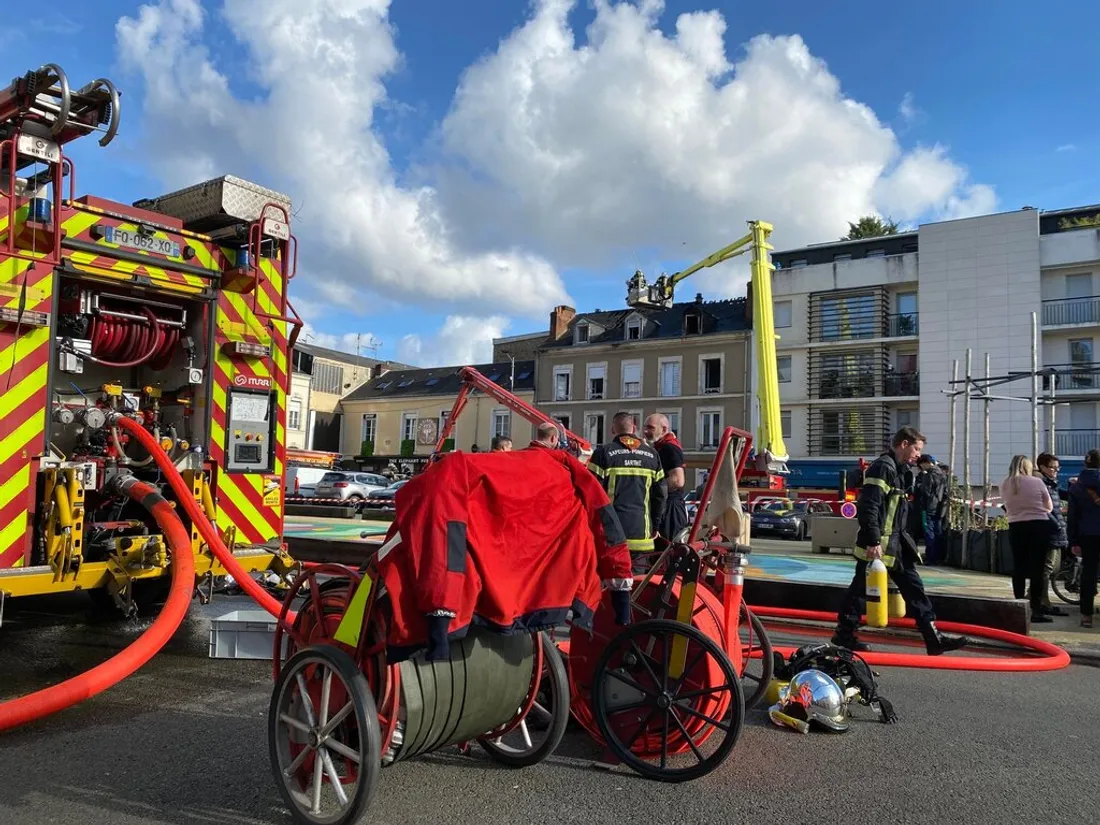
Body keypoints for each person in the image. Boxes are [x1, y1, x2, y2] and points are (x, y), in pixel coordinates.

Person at [832, 427, 969, 655]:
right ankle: (844, 634)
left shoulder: (901, 470)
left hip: (895, 544)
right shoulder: (883, 467)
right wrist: (874, 540)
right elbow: (869, 506)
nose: (918, 454)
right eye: (916, 448)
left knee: (913, 588)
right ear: (903, 444)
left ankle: (932, 637)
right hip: (878, 545)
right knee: (860, 591)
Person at [589, 412, 668, 572]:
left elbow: (592, 493)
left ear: (613, 429)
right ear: (634, 428)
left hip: (611, 535)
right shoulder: (652, 455)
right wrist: (656, 525)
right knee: (637, 586)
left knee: (611, 585)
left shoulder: (603, 453)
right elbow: (661, 495)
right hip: (642, 536)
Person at [999, 454, 1054, 623]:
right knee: (1037, 568)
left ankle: (1019, 605)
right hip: (1038, 525)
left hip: (1016, 526)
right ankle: (1035, 609)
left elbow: (1007, 506)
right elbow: (1049, 506)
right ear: (1028, 467)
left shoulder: (1005, 484)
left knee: (1019, 567)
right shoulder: (1036, 482)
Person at [1066, 449, 1100, 629]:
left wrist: (1073, 541)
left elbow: (1072, 517)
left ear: (1085, 464)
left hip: (1087, 535)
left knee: (1088, 574)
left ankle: (1086, 615)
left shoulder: (1077, 487)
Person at [1033, 453, 1069, 617]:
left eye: (1057, 468)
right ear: (1042, 467)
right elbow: (1045, 510)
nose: (1056, 471)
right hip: (1049, 532)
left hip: (1055, 531)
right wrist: (1057, 525)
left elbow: (1061, 496)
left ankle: (1035, 597)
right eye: (1052, 467)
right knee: (1046, 569)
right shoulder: (1041, 484)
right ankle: (1042, 601)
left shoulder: (1051, 484)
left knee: (1050, 568)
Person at [643, 413, 688, 540]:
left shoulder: (669, 447)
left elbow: (678, 480)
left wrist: (651, 489)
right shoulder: (661, 447)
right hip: (666, 507)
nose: (645, 431)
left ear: (663, 429)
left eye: (651, 428)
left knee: (667, 551)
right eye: (645, 427)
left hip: (670, 510)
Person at [915, 455, 946, 564]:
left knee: (929, 531)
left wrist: (919, 485)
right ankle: (938, 556)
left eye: (921, 465)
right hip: (939, 507)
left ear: (925, 463)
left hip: (927, 507)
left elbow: (925, 492)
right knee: (937, 531)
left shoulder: (929, 475)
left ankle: (930, 557)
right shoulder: (942, 474)